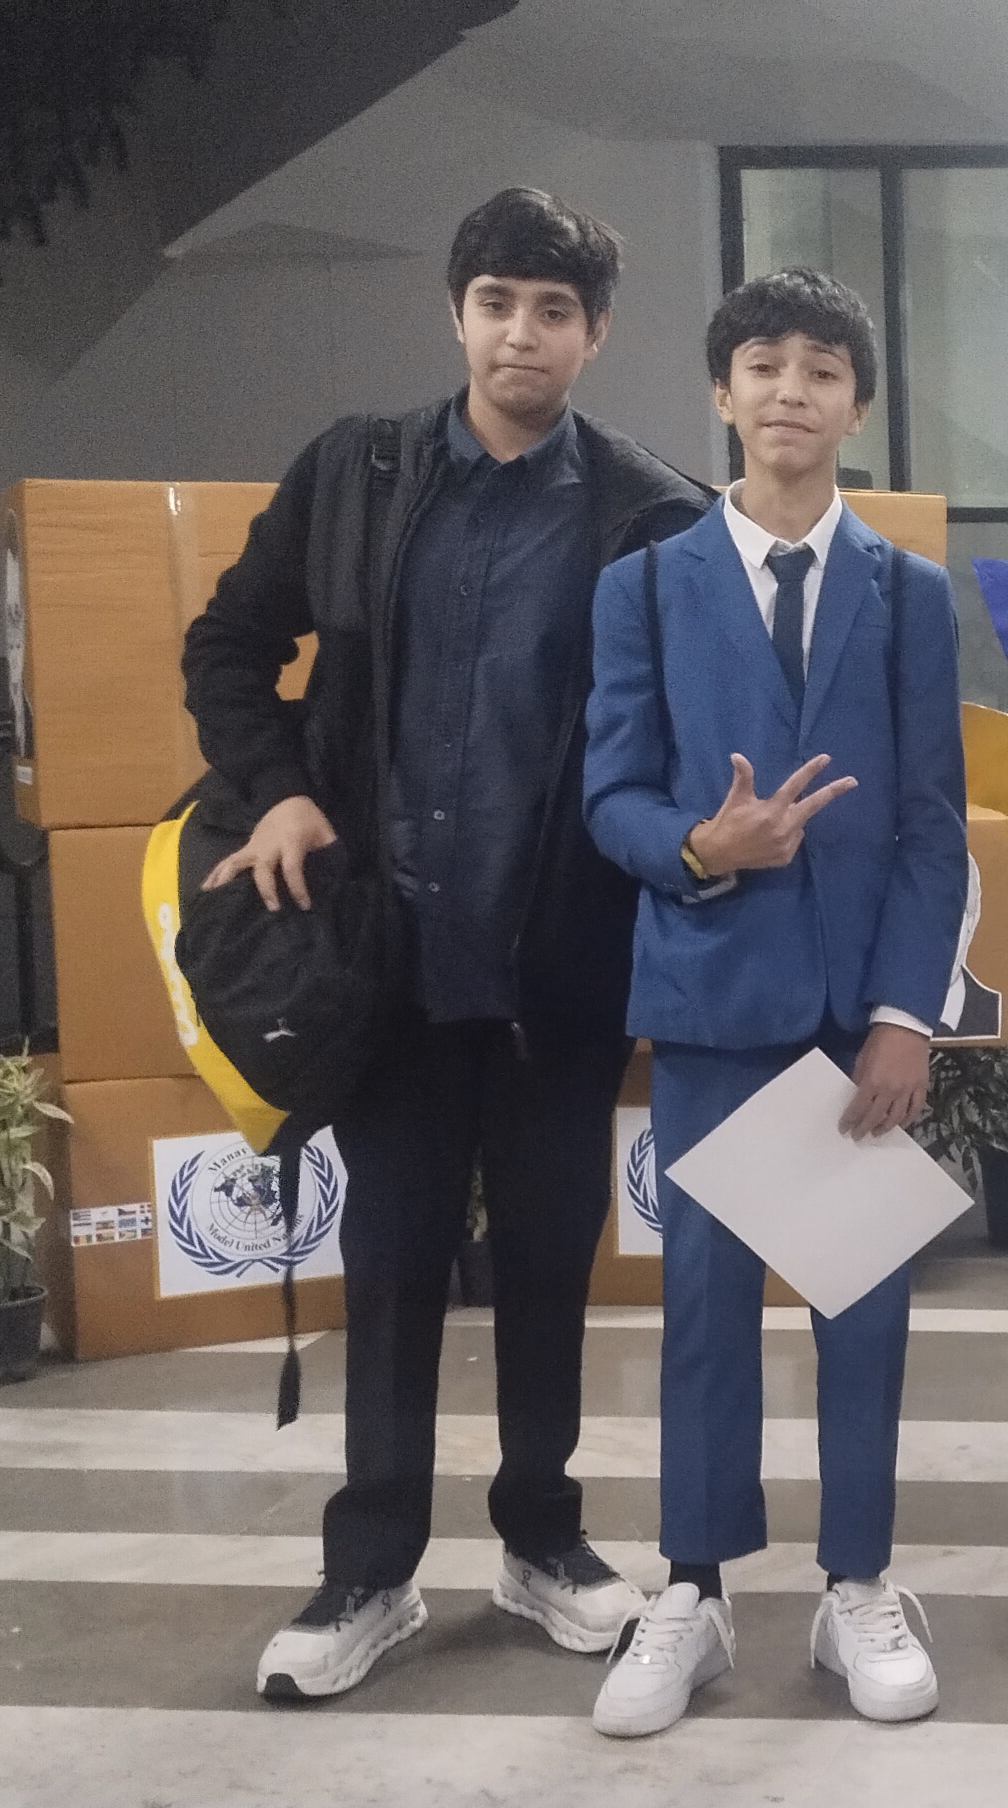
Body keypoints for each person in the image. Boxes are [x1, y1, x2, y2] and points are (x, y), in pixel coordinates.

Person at [187, 187, 712, 1702]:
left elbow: (678, 739)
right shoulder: (354, 475)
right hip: (389, 963)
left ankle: (543, 1538)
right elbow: (227, 645)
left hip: (558, 970)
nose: (520, 334)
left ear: (595, 334)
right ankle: (370, 1568)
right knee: (394, 1264)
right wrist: (278, 792)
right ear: (456, 312)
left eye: (553, 310)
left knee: (549, 1265)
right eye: (496, 302)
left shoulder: (652, 514)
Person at [577, 266, 968, 1737]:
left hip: (857, 1013)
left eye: (821, 369)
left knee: (863, 1308)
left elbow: (931, 822)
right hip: (711, 998)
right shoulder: (643, 587)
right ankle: (692, 1590)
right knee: (702, 1310)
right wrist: (700, 846)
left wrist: (906, 1014)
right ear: (721, 392)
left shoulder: (908, 594)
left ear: (857, 405)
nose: (791, 390)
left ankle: (856, 1581)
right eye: (763, 364)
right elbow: (609, 792)